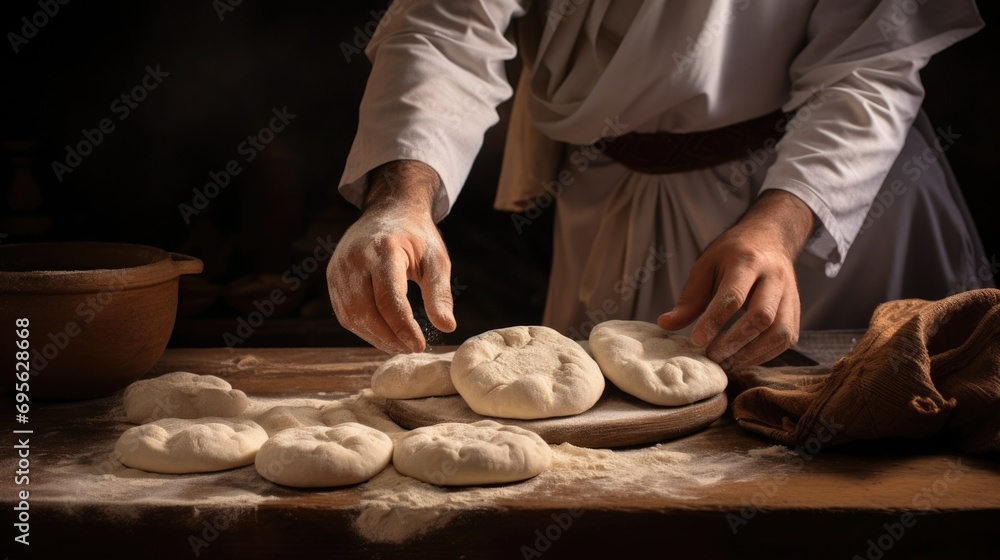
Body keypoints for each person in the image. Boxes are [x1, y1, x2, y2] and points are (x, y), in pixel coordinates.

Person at [326, 0, 990, 370]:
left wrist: (777, 228)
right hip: (613, 190)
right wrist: (401, 200)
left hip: (825, 195)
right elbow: (446, 24)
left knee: (872, 440)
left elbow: (870, 66)